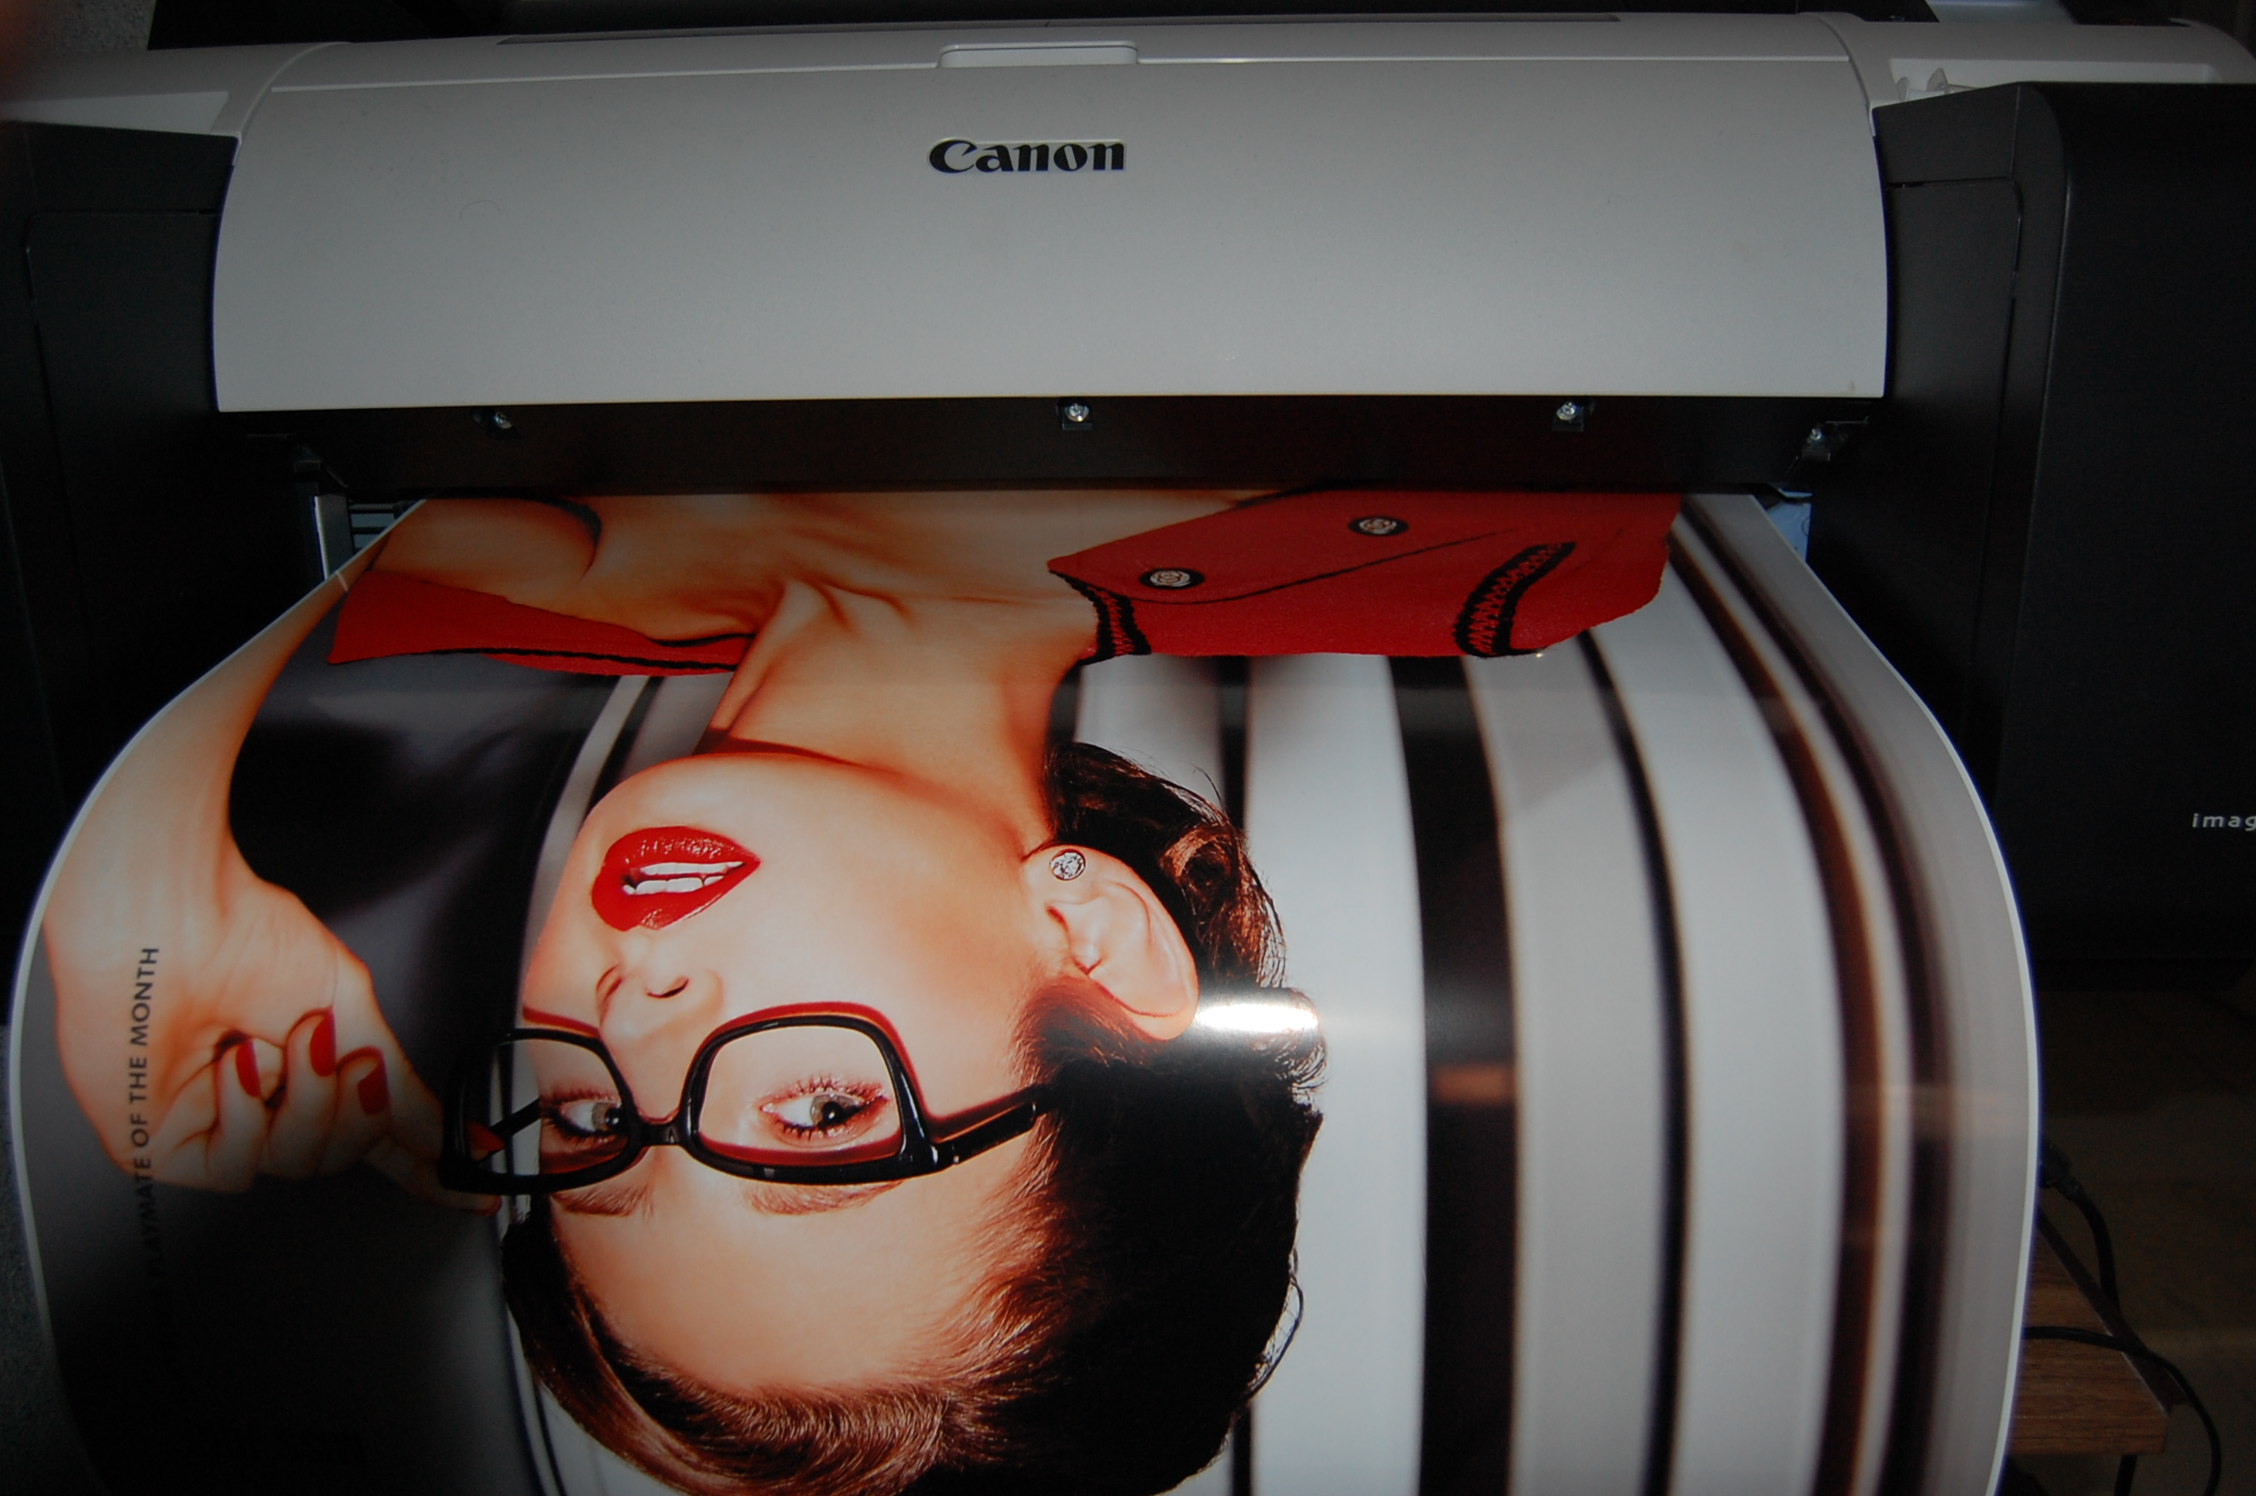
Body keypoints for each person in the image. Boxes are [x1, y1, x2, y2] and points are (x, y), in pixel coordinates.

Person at [41, 486, 1672, 1495]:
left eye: (592, 1122)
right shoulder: (1488, 552)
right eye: (818, 1115)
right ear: (1099, 949)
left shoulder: (437, 605)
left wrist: (149, 881)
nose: (642, 1007)